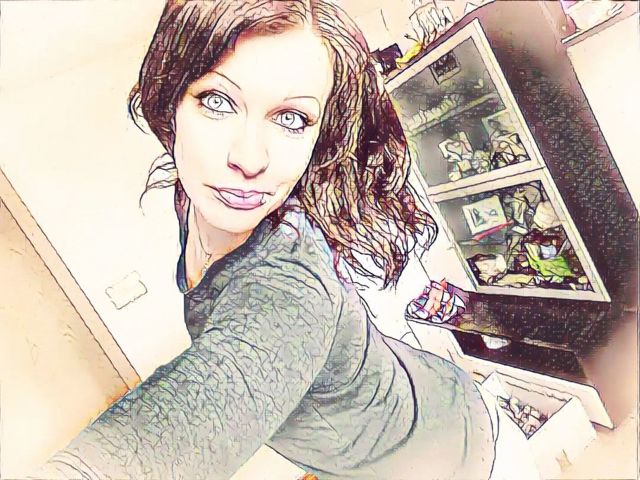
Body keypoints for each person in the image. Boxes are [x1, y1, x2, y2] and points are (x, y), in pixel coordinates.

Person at [31, 1, 539, 479]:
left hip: (452, 454)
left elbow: (191, 415)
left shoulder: (291, 284)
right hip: (412, 398)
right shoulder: (200, 198)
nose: (250, 159)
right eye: (217, 102)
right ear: (171, 105)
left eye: (291, 118)